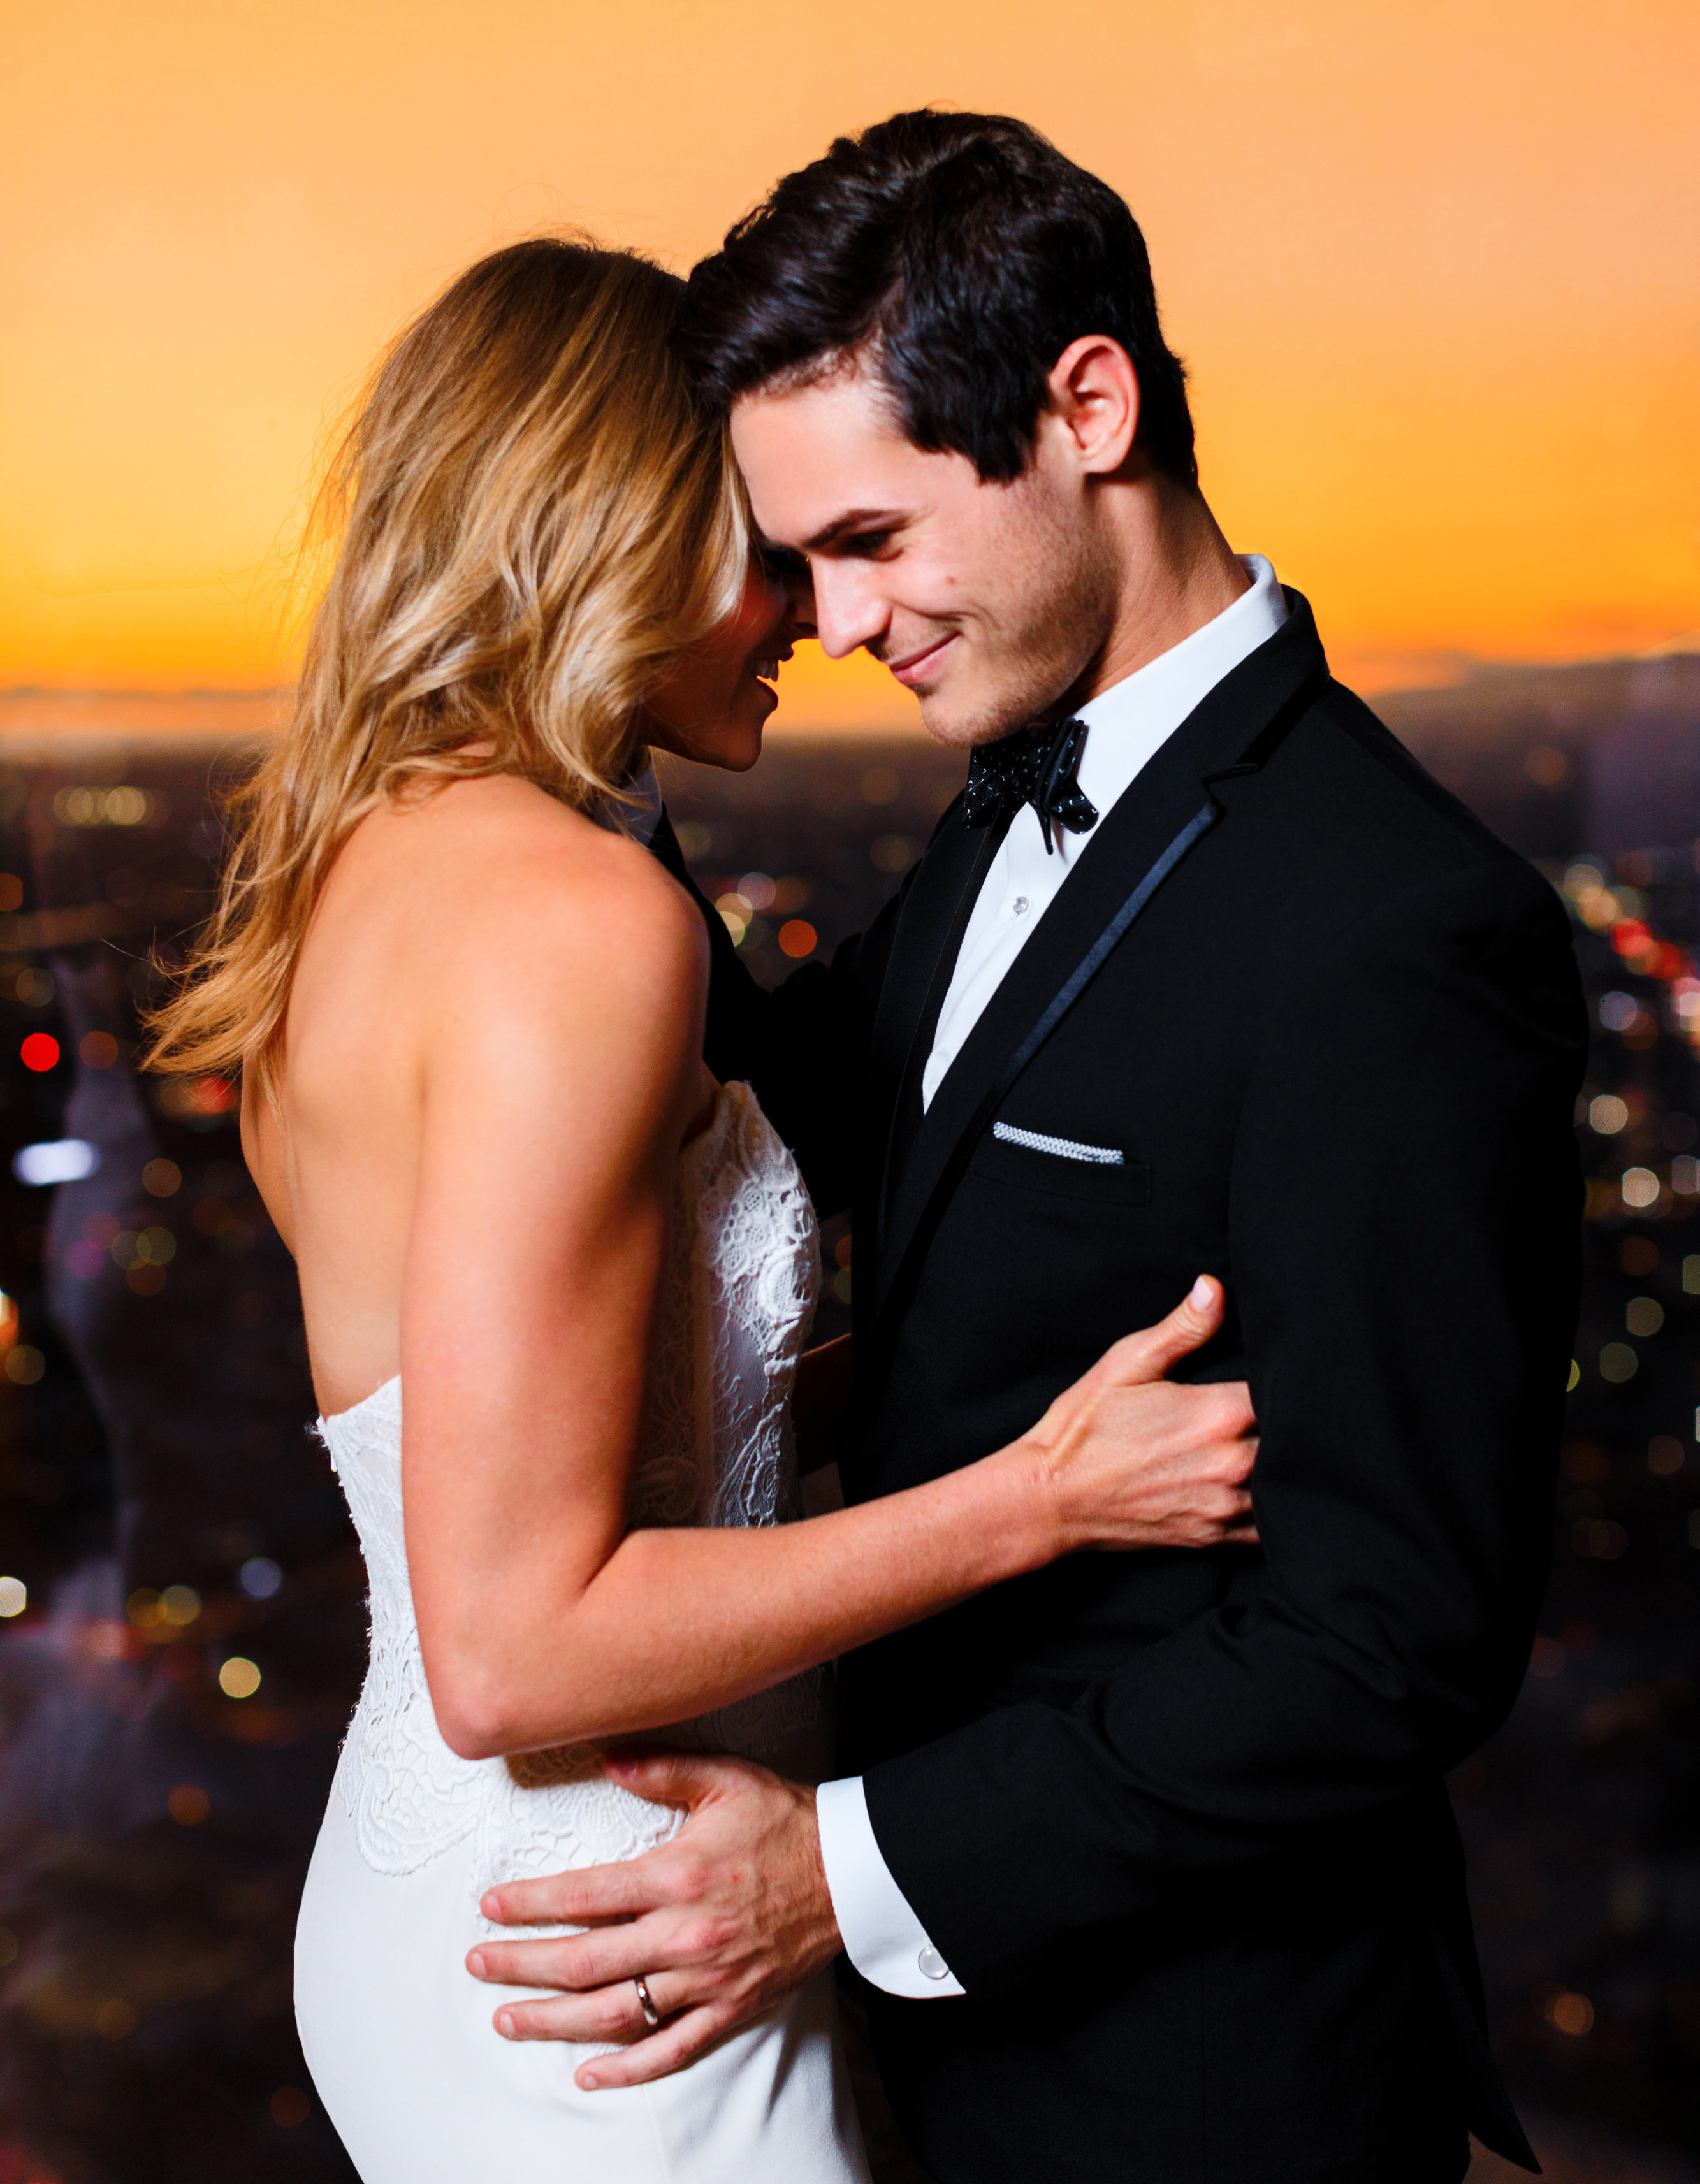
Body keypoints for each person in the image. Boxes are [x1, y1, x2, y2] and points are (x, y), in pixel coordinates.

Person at [467, 115, 1588, 2184]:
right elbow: (745, 1125)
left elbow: (1388, 1633)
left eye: (874, 537)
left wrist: (836, 1875)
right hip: (900, 2063)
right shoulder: (1002, 791)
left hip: (1199, 2087)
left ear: (1090, 406)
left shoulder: (1396, 932)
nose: (831, 620)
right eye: (798, 555)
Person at [147, 235, 1260, 2184]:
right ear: (619, 535)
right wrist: (1046, 1501)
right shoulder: (575, 923)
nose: (820, 614)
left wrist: (991, 1374)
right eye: (766, 544)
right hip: (600, 1949)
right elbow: (518, 1639)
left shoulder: (365, 877)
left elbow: (578, 1429)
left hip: (492, 1912)